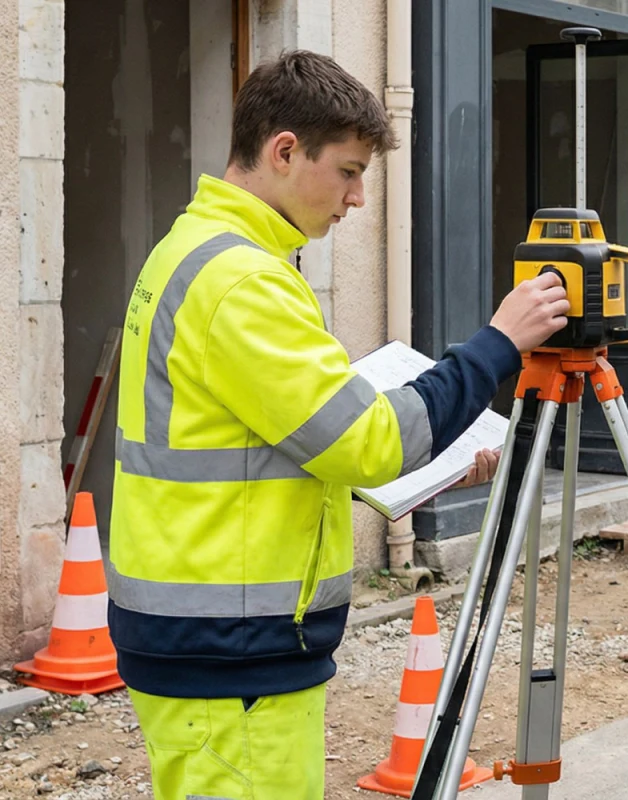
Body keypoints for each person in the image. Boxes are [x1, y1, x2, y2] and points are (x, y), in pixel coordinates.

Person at [108, 51, 570, 800]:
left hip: (208, 634)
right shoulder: (244, 282)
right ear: (285, 151)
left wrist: (428, 467)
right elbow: (369, 442)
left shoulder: (195, 251)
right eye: (349, 171)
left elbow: (251, 447)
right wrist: (498, 345)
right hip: (233, 650)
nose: (357, 197)